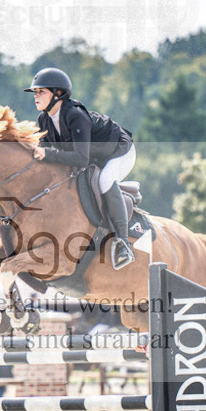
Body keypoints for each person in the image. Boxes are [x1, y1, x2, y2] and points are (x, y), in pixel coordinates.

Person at [24, 67, 137, 270]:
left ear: (58, 94)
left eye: (41, 91)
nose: (36, 96)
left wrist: (47, 154)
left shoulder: (75, 115)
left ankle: (123, 243)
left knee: (105, 181)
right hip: (94, 156)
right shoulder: (43, 120)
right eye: (35, 92)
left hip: (119, 151)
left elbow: (80, 159)